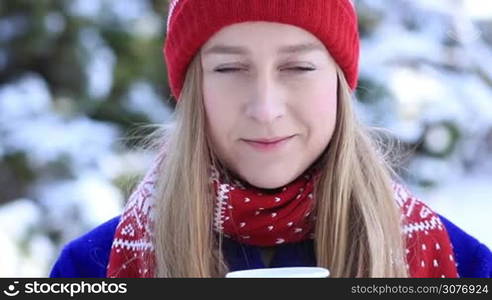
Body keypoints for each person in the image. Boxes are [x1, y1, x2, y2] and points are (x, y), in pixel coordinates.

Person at [50, 0, 491, 278]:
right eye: (228, 69)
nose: (265, 108)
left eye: (298, 68)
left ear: (339, 84)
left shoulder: (462, 265)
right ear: (192, 89)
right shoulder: (90, 268)